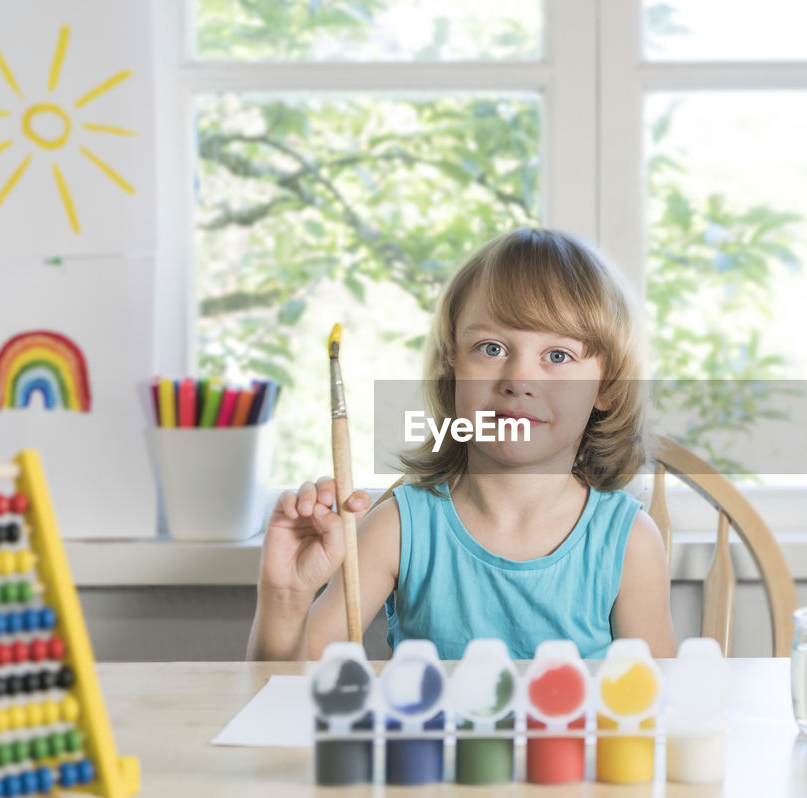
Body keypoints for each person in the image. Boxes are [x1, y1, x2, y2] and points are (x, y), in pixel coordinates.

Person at [247, 228, 676, 661]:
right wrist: (285, 601)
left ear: (607, 386)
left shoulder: (628, 543)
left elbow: (660, 706)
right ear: (453, 370)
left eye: (558, 356)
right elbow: (286, 696)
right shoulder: (396, 529)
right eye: (491, 348)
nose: (517, 380)